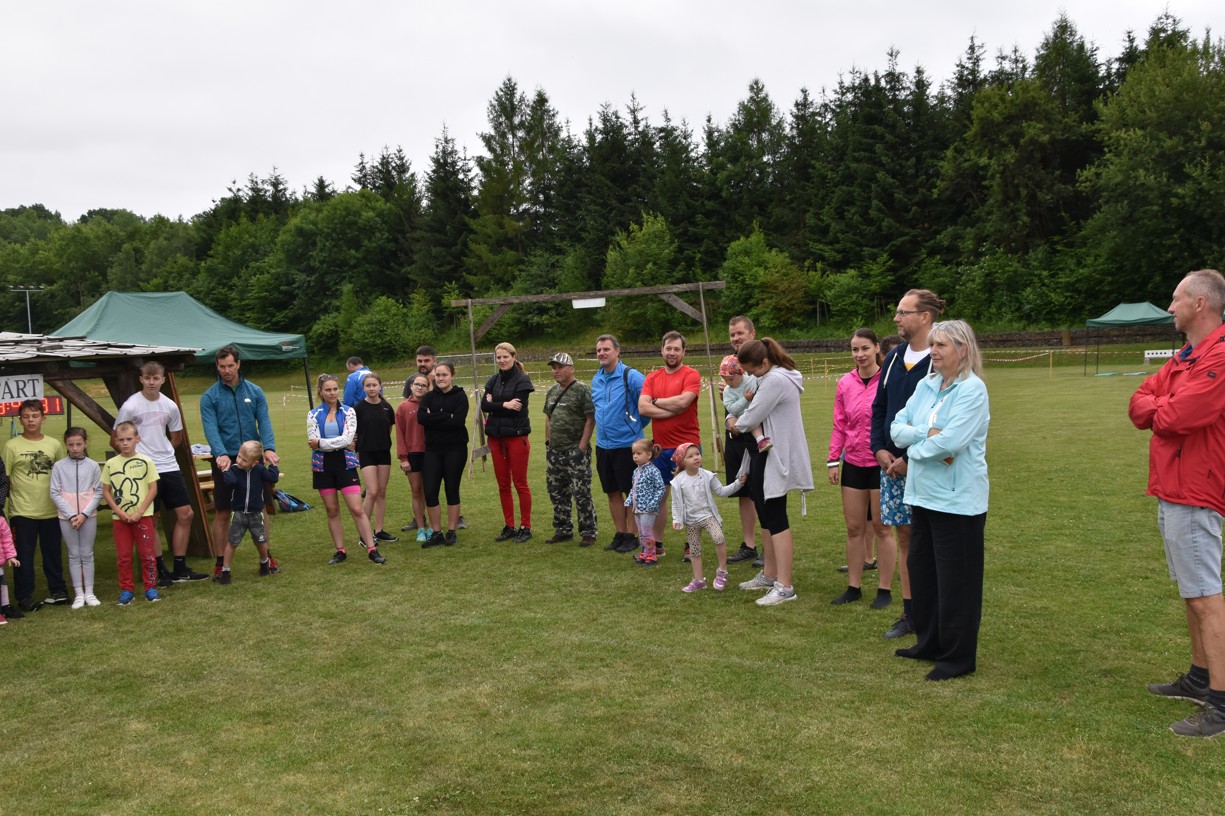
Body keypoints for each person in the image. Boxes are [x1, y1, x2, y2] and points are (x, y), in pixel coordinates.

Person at [1129, 268, 1225, 738]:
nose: (1170, 307)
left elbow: (1179, 417)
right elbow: (1139, 402)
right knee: (1192, 590)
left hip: (1196, 489)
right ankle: (1200, 676)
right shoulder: (1188, 356)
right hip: (1173, 486)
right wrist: (1161, 404)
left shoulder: (1220, 356)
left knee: (1205, 595)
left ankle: (1221, 703)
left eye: (1176, 299)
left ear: (1200, 303)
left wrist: (1161, 406)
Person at [891, 320, 989, 681]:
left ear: (962, 349)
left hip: (957, 502)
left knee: (956, 583)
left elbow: (952, 442)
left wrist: (916, 450)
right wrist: (925, 435)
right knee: (925, 575)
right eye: (932, 344)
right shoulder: (927, 384)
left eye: (941, 345)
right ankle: (929, 643)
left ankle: (957, 656)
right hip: (923, 496)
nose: (932, 351)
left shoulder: (972, 390)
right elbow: (897, 428)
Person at [872, 289, 944, 638]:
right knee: (905, 537)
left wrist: (909, 458)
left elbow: (941, 421)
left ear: (925, 316)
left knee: (930, 539)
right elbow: (879, 408)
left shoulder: (942, 358)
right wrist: (878, 449)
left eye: (903, 312)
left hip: (927, 465)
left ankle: (935, 613)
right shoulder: (894, 357)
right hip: (890, 466)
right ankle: (911, 613)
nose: (896, 318)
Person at [730, 338, 813, 606]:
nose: (751, 375)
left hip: (773, 456)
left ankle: (785, 585)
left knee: (776, 517)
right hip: (761, 454)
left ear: (765, 362)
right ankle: (769, 574)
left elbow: (751, 417)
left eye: (752, 370)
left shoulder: (776, 380)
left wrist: (734, 422)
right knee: (765, 515)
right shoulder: (768, 377)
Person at [115, 360, 209, 585]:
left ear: (163, 380)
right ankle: (159, 569)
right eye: (147, 378)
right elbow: (117, 438)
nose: (151, 382)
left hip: (169, 466)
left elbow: (176, 437)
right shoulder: (130, 406)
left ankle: (180, 567)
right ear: (141, 379)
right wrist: (139, 459)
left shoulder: (170, 406)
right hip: (144, 470)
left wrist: (162, 450)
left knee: (186, 514)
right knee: (151, 519)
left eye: (155, 378)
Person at [829, 329, 897, 609]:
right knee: (854, 528)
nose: (859, 354)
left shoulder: (889, 380)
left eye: (865, 348)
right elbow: (839, 424)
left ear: (877, 348)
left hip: (882, 464)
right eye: (855, 349)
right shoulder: (845, 383)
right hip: (854, 463)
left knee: (882, 528)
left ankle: (884, 589)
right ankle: (853, 586)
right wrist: (833, 460)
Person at [200, 345, 280, 578]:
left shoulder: (255, 391)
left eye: (230, 366)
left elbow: (264, 421)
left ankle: (266, 557)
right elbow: (211, 428)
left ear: (238, 364)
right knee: (223, 512)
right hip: (227, 461)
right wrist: (221, 453)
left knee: (261, 508)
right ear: (217, 367)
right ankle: (220, 563)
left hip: (253, 460)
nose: (227, 371)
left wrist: (269, 448)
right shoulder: (209, 397)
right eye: (222, 366)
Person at [307, 374, 386, 566]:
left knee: (357, 509)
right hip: (322, 466)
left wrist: (323, 443)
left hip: (345, 464)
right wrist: (338, 443)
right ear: (321, 392)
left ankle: (372, 549)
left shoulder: (349, 411)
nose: (332, 393)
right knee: (332, 510)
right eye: (328, 390)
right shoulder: (313, 414)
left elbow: (347, 438)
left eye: (335, 389)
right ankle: (340, 550)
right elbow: (313, 440)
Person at [638, 331, 702, 553]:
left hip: (687, 448)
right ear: (662, 350)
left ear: (684, 352)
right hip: (660, 449)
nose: (672, 353)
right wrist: (670, 410)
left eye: (676, 349)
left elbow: (684, 402)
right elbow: (643, 407)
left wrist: (656, 401)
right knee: (659, 497)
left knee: (691, 498)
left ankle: (691, 546)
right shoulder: (652, 378)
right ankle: (658, 544)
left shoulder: (691, 375)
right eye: (668, 348)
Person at [3, 398, 68, 610]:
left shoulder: (54, 445)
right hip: (22, 512)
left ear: (43, 418)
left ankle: (58, 590)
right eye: (26, 417)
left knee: (52, 553)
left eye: (35, 416)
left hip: (51, 510)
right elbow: (5, 478)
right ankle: (24, 597)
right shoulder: (11, 446)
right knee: (23, 556)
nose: (31, 420)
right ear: (20, 420)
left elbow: (62, 474)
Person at [591, 334, 648, 553]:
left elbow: (645, 409)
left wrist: (632, 427)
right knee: (612, 492)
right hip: (603, 445)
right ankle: (620, 533)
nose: (601, 353)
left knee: (630, 493)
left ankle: (632, 535)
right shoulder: (597, 379)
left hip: (627, 445)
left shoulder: (631, 376)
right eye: (598, 350)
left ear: (617, 351)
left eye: (606, 349)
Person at [670, 442, 745, 592]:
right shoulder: (678, 481)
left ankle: (722, 571)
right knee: (694, 551)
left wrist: (738, 483)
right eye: (690, 456)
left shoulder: (707, 476)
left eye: (697, 454)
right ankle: (699, 581)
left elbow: (722, 491)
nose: (696, 458)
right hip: (691, 521)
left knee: (719, 538)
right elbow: (675, 503)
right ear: (682, 461)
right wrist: (676, 519)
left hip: (708, 516)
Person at [102, 420, 162, 605]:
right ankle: (127, 589)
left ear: (137, 439)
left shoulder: (146, 461)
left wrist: (140, 512)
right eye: (121, 440)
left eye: (129, 439)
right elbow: (106, 491)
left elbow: (153, 489)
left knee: (147, 554)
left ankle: (150, 587)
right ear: (116, 441)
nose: (125, 443)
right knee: (123, 556)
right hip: (120, 519)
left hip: (143, 517)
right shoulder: (111, 464)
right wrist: (119, 512)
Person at [541, 352, 597, 546]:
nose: (555, 371)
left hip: (575, 451)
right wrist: (548, 442)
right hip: (555, 452)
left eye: (559, 367)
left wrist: (581, 448)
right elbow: (548, 418)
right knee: (557, 492)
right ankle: (563, 530)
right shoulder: (552, 391)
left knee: (581, 493)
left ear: (571, 369)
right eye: (553, 368)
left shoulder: (582, 390)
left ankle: (588, 531)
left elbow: (590, 420)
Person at [483, 342, 535, 543]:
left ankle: (525, 527)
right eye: (499, 357)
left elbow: (518, 408)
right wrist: (505, 404)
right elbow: (484, 405)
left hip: (516, 437)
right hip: (496, 438)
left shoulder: (522, 380)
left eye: (505, 356)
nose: (502, 360)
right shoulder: (493, 379)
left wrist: (494, 405)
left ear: (514, 357)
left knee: (520, 483)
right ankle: (509, 525)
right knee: (503, 484)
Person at [49, 427, 103, 609]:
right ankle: (78, 593)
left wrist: (84, 514)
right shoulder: (59, 466)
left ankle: (90, 592)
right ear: (66, 445)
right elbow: (54, 492)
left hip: (88, 517)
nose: (75, 448)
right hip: (67, 518)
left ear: (85, 443)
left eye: (78, 444)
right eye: (71, 444)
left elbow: (98, 492)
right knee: (73, 554)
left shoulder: (93, 466)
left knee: (87, 553)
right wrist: (72, 514)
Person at [725, 316, 762, 566]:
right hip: (736, 439)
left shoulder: (762, 364)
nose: (736, 338)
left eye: (740, 333)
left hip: (760, 437)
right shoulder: (730, 366)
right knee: (743, 491)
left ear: (752, 334)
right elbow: (729, 402)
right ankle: (749, 545)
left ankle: (770, 547)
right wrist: (729, 418)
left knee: (763, 492)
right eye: (732, 335)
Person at [418, 362, 469, 548]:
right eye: (438, 375)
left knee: (451, 489)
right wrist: (447, 416)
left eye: (444, 375)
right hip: (433, 450)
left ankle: (451, 531)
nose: (440, 378)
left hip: (455, 449)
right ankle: (436, 532)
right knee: (430, 491)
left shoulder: (460, 396)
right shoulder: (428, 397)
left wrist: (434, 417)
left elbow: (458, 422)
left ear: (452, 375)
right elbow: (421, 418)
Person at [217, 440, 282, 584]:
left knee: (261, 542)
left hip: (255, 515)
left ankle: (264, 562)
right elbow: (230, 482)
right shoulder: (234, 469)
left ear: (254, 462)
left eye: (244, 460)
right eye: (239, 456)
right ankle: (225, 571)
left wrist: (273, 465)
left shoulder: (259, 470)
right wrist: (225, 470)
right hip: (238, 515)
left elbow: (273, 478)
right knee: (232, 543)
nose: (239, 461)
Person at [354, 371, 397, 543]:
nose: (371, 388)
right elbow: (354, 433)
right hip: (366, 453)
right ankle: (364, 535)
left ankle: (378, 531)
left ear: (380, 386)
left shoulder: (387, 407)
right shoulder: (358, 409)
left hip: (384, 453)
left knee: (381, 491)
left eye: (374, 385)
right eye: (368, 385)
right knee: (371, 491)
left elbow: (389, 429)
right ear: (363, 388)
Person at [396, 373, 430, 544]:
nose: (420, 388)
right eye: (417, 384)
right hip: (412, 455)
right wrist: (403, 458)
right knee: (416, 491)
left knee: (430, 491)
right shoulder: (403, 407)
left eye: (424, 385)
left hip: (430, 453)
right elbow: (400, 434)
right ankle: (421, 528)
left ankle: (433, 527)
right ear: (411, 386)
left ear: (428, 388)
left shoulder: (432, 404)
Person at [625, 438, 666, 565]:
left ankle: (652, 555)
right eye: (633, 453)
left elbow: (661, 488)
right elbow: (634, 488)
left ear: (649, 455)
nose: (635, 456)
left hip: (648, 509)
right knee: (642, 533)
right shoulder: (636, 471)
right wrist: (629, 499)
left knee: (647, 533)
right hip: (637, 508)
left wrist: (653, 503)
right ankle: (644, 553)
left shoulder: (653, 470)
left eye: (639, 453)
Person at [0, 517, 17, 624]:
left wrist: (11, 556)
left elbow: (7, 540)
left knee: (2, 582)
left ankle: (5, 607)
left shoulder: (1, 521)